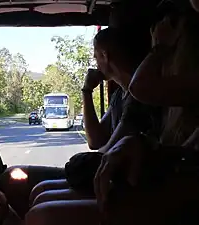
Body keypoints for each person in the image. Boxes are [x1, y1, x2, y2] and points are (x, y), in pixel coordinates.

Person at [29, 27, 161, 206]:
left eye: (96, 57)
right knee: (40, 190)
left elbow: (104, 152)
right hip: (114, 177)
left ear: (105, 56)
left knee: (42, 199)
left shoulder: (138, 99)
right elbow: (95, 140)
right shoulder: (118, 97)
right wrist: (87, 91)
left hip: (128, 184)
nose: (96, 64)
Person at [95, 1, 199, 224]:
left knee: (44, 211)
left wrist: (159, 49)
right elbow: (97, 142)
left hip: (179, 188)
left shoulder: (179, 87)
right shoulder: (118, 98)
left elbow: (140, 88)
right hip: (172, 180)